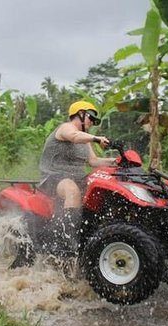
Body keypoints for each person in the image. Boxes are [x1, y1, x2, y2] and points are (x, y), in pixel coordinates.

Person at [39, 100, 115, 255]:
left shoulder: (85, 140)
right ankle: (66, 239)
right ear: (80, 114)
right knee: (72, 190)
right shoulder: (66, 128)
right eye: (91, 118)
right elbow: (73, 136)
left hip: (79, 178)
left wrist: (117, 161)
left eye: (95, 121)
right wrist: (96, 138)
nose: (92, 122)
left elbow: (93, 161)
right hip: (54, 177)